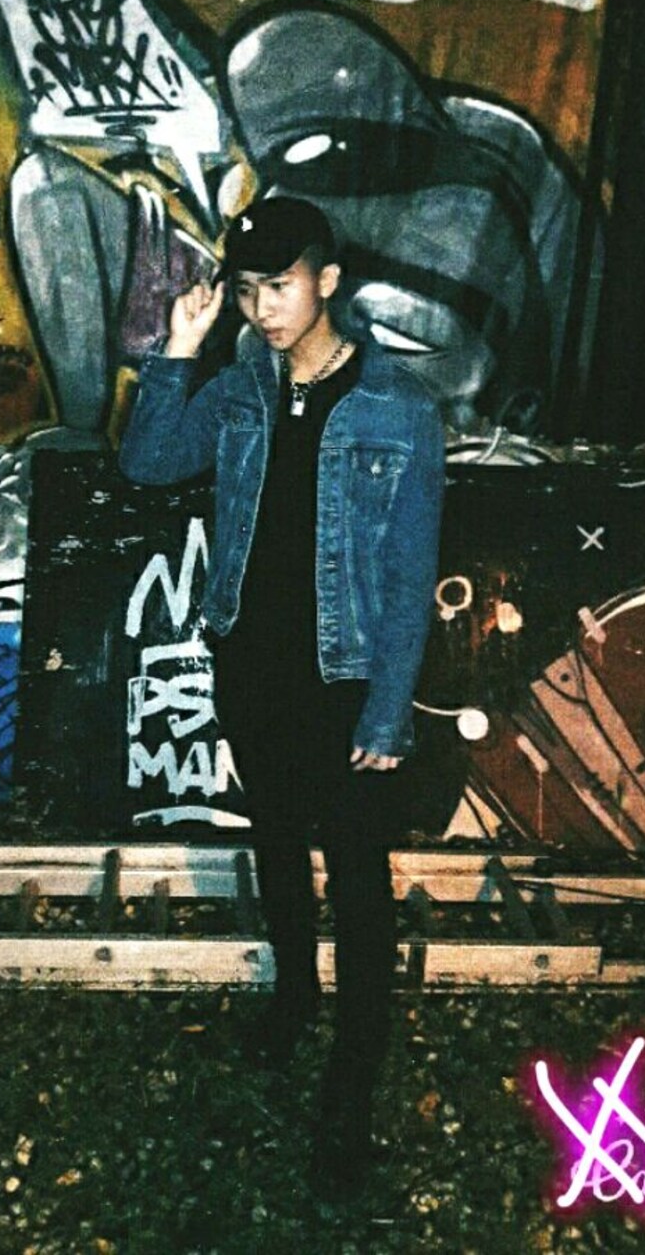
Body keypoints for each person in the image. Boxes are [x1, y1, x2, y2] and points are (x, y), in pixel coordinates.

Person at [119, 197, 445, 1197]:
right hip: (253, 667)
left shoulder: (397, 405)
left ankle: (349, 1092)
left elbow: (410, 575)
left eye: (282, 284)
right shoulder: (239, 389)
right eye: (250, 288)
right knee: (274, 842)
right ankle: (295, 1000)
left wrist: (388, 712)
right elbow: (147, 463)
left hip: (345, 683)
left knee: (357, 882)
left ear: (327, 280)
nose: (263, 306)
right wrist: (179, 350)